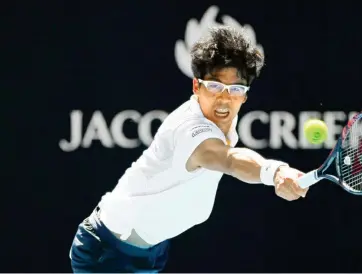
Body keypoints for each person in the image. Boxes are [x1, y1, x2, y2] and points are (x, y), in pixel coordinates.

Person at [69, 25, 309, 273]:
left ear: (245, 96)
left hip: (150, 250)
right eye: (214, 86)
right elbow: (227, 159)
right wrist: (275, 171)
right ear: (196, 86)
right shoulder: (189, 127)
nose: (224, 98)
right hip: (107, 252)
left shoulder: (224, 117)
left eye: (235, 89)